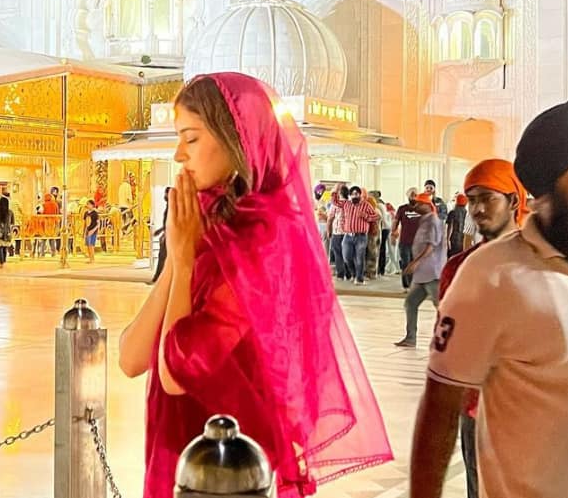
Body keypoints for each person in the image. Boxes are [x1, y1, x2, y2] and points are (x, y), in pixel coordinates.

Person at [118, 73, 392, 498]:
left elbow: (178, 372)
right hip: (185, 446)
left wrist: (185, 260)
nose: (178, 155)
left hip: (234, 461)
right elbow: (132, 359)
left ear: (235, 139)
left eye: (190, 139)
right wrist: (178, 257)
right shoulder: (204, 229)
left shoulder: (263, 238)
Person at [410, 97, 568, 498]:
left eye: (487, 198)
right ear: (546, 187)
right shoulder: (491, 274)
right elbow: (440, 405)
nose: (478, 210)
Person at [434, 159, 529, 498]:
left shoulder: (541, 264)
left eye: (487, 198)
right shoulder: (457, 268)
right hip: (476, 410)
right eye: (471, 199)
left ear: (514, 201)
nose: (476, 208)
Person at [394, 193, 445, 347]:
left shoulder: (433, 222)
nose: (415, 207)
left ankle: (449, 341)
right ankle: (410, 338)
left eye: (418, 204)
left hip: (432, 271)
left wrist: (415, 263)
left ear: (427, 205)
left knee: (443, 307)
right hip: (422, 273)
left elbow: (430, 246)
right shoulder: (424, 221)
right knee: (410, 302)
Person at [331, 184, 379, 285]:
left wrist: (365, 216)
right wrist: (335, 190)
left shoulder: (366, 205)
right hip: (348, 236)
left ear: (360, 195)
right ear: (350, 195)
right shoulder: (346, 204)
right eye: (352, 194)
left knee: (359, 258)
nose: (354, 196)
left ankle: (360, 279)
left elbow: (376, 216)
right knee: (346, 257)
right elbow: (335, 202)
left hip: (361, 236)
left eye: (356, 194)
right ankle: (354, 274)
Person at [392, 188, 422, 291]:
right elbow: (395, 221)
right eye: (411, 195)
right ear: (408, 196)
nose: (413, 197)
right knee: (406, 264)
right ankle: (406, 286)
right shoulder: (402, 209)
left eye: (415, 195)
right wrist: (393, 232)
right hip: (404, 241)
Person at [326, 186, 349, 280]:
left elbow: (330, 219)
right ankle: (349, 274)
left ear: (339, 194)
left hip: (337, 232)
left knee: (338, 254)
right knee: (348, 254)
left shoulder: (335, 205)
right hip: (349, 232)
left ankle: (340, 274)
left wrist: (329, 231)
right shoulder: (350, 204)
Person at [151, 187, 172, 283]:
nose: (164, 195)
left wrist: (164, 233)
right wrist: (160, 231)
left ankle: (159, 277)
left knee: (163, 257)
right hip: (167, 234)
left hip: (170, 236)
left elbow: (169, 223)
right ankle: (159, 277)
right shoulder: (169, 206)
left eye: (166, 193)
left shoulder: (172, 207)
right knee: (163, 257)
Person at [445, 193, 467, 258]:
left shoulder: (452, 212)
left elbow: (450, 227)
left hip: (454, 240)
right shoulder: (467, 213)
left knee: (452, 259)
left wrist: (447, 240)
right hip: (463, 240)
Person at [83, 199, 99, 263]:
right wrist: (84, 231)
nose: (88, 205)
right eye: (87, 204)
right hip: (87, 230)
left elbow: (98, 224)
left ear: (92, 205)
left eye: (89, 204)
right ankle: (90, 258)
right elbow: (85, 223)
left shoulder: (95, 213)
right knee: (88, 245)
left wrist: (93, 230)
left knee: (91, 245)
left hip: (93, 231)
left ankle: (92, 259)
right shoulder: (86, 213)